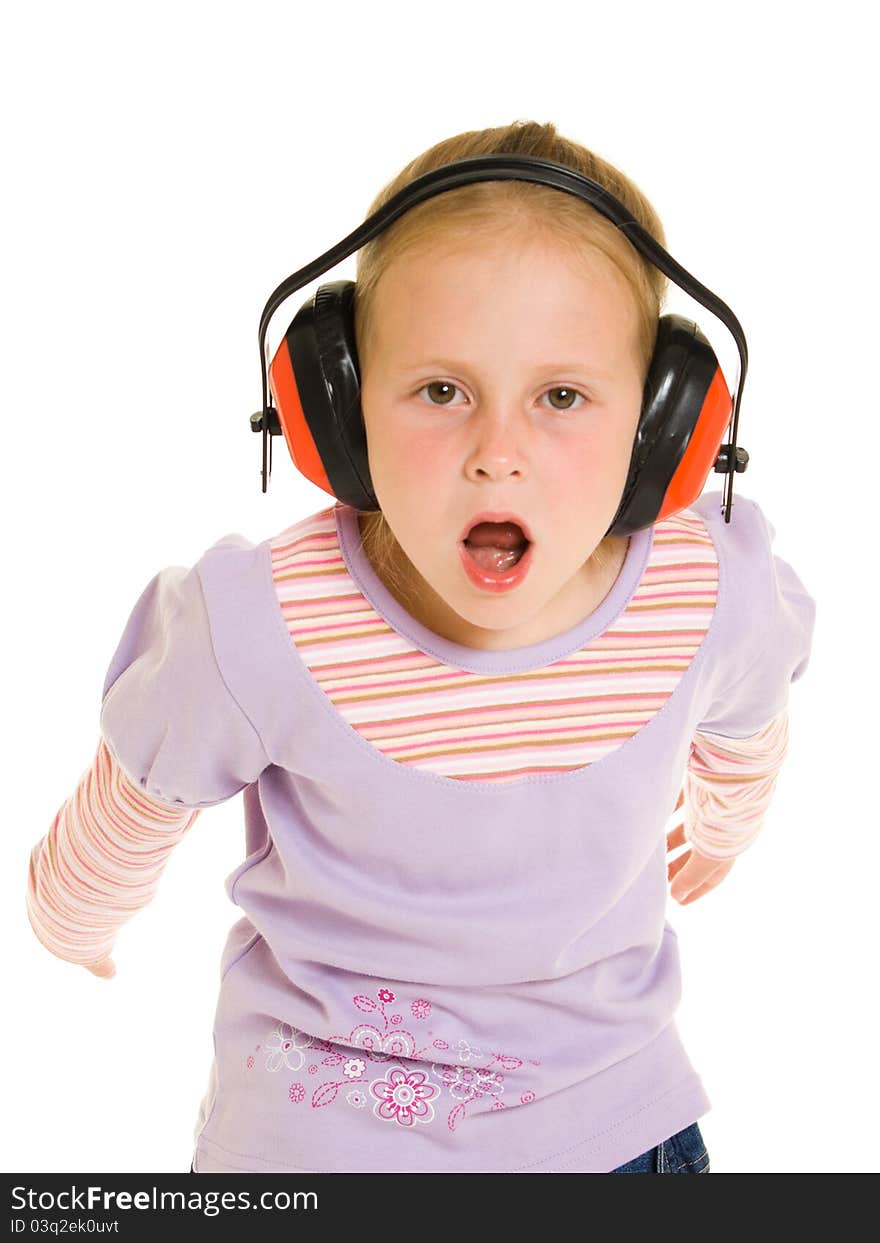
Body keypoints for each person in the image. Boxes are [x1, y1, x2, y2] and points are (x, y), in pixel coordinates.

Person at [25, 120, 816, 1174]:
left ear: (664, 431)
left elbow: (745, 725)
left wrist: (722, 825)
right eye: (441, 391)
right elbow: (128, 808)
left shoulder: (705, 592)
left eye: (562, 396)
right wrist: (76, 918)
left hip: (608, 1127)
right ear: (333, 414)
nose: (499, 455)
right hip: (323, 1147)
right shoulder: (259, 622)